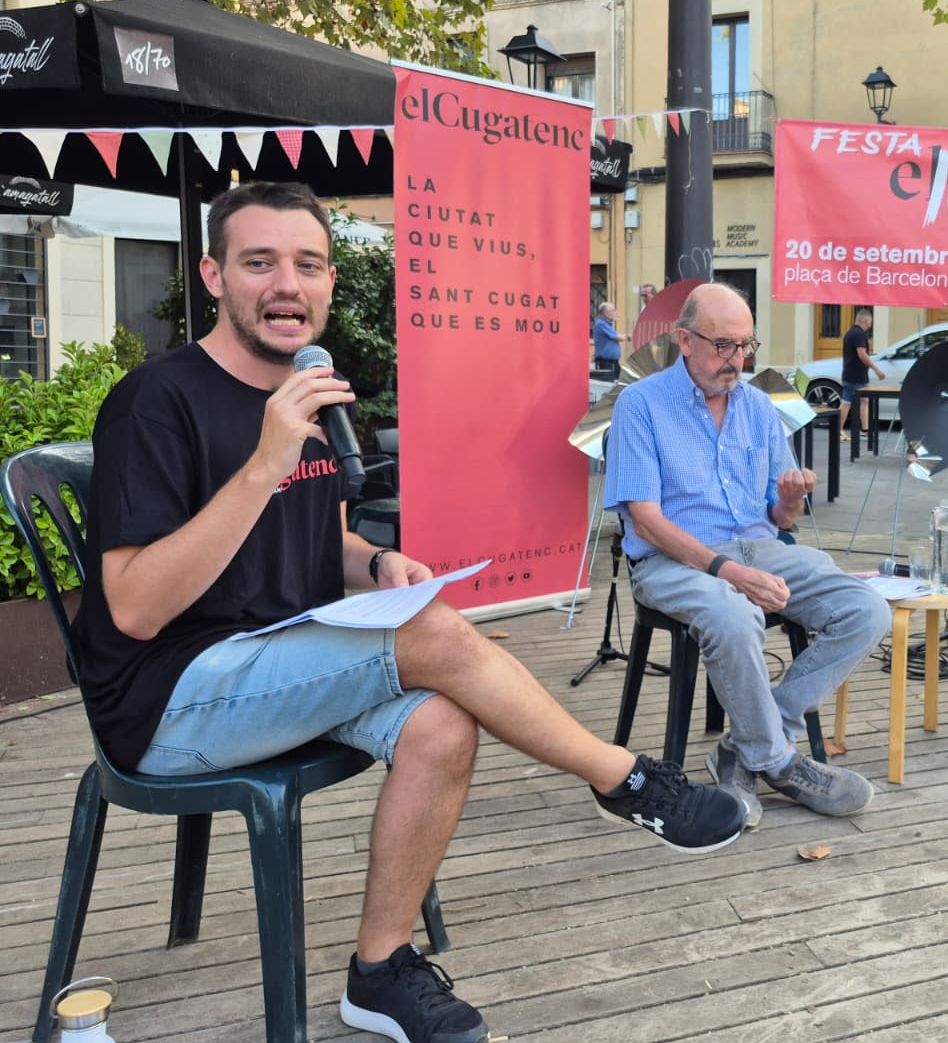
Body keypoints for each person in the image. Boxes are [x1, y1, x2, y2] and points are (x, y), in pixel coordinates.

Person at [70, 183, 744, 1043]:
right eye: (259, 262)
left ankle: (380, 970)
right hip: (168, 701)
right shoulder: (155, 401)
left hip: (281, 662)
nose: (287, 284)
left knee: (442, 724)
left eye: (307, 264)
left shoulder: (310, 391)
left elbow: (319, 543)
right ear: (213, 275)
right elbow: (132, 609)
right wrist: (265, 463)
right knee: (424, 632)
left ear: (329, 280)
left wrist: (377, 563)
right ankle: (627, 781)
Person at [605, 282, 892, 828]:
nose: (736, 359)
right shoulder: (640, 405)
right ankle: (780, 762)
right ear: (684, 340)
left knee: (867, 609)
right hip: (671, 560)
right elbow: (646, 521)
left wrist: (789, 500)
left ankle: (745, 746)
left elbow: (780, 520)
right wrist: (729, 572)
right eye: (723, 345)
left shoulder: (758, 406)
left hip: (759, 547)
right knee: (734, 615)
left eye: (745, 346)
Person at [837, 307, 886, 441]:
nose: (871, 324)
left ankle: (864, 430)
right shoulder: (859, 334)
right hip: (855, 375)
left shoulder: (850, 333)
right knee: (847, 403)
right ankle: (839, 430)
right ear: (866, 320)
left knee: (864, 400)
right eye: (870, 321)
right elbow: (861, 354)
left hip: (854, 374)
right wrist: (876, 370)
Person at [592, 301, 628, 379]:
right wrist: (628, 336)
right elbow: (619, 337)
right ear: (606, 313)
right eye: (613, 310)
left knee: (618, 383)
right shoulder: (601, 324)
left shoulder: (607, 325)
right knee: (610, 385)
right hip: (606, 363)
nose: (616, 313)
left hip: (612, 363)